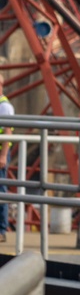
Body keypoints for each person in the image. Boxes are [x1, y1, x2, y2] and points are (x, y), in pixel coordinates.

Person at [0, 74, 13, 243]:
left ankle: (1, 230)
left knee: (1, 191)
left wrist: (3, 155)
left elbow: (7, 131)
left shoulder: (4, 106)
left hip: (0, 154)